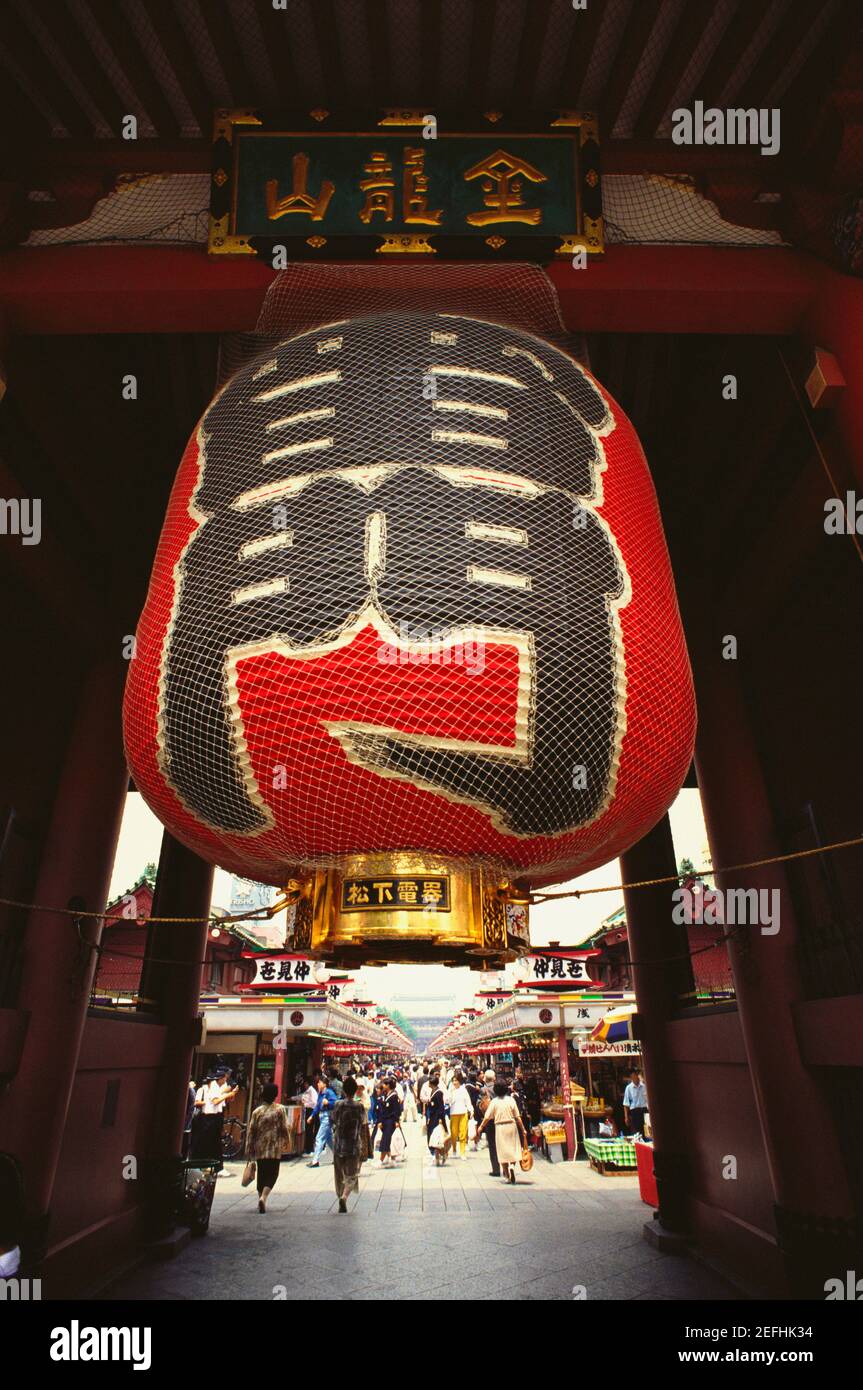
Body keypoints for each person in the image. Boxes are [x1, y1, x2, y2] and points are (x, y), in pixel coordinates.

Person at [246, 1082, 291, 1213]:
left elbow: (251, 1131)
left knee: (262, 1173)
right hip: (274, 1147)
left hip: (260, 1147)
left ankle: (260, 1197)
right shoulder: (279, 1109)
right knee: (273, 1174)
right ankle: (264, 1197)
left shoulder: (257, 1112)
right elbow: (284, 1127)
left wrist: (249, 1149)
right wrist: (287, 1140)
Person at [331, 1075, 369, 1212]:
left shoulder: (338, 1104)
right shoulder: (359, 1107)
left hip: (339, 1143)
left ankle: (340, 1195)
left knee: (339, 1173)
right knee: (352, 1174)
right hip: (353, 1144)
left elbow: (333, 1119)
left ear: (344, 1090)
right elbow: (362, 1123)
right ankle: (345, 1196)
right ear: (355, 1090)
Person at [477, 1082, 526, 1184]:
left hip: (500, 1127)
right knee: (513, 1148)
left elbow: (487, 1116)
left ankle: (507, 1175)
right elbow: (518, 1116)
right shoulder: (511, 1100)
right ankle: (512, 1165)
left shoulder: (494, 1102)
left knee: (502, 1151)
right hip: (512, 1126)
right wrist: (523, 1129)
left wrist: (481, 1127)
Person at [190, 1069, 238, 1162]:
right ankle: (206, 1163)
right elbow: (215, 1101)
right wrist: (229, 1094)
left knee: (213, 1142)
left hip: (215, 1117)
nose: (225, 1080)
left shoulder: (217, 1088)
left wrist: (230, 1094)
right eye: (224, 1078)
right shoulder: (212, 1087)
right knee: (209, 1142)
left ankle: (211, 1163)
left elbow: (223, 1101)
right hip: (209, 1118)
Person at [307, 1075, 338, 1167]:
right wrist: (312, 1116)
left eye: (319, 1082)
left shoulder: (329, 1092)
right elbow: (317, 1106)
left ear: (324, 1084)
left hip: (327, 1117)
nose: (318, 1084)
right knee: (329, 1140)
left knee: (319, 1138)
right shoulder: (320, 1093)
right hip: (322, 1116)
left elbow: (336, 1102)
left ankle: (315, 1160)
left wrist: (328, 1102)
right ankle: (338, 1156)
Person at [478, 1069, 500, 1176]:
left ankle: (496, 1169)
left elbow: (480, 1104)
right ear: (494, 1078)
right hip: (500, 1118)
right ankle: (506, 1165)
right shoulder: (499, 1088)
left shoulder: (483, 1089)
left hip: (489, 1120)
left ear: (485, 1078)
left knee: (492, 1144)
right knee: (501, 1143)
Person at [447, 1070, 473, 1160]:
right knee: (454, 1134)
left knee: (463, 1133)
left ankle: (462, 1152)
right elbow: (448, 1101)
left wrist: (471, 1110)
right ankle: (454, 1150)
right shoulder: (450, 1090)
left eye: (456, 1080)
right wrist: (450, 1092)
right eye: (453, 1080)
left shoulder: (463, 1089)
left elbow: (468, 1101)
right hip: (453, 1113)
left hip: (463, 1113)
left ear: (459, 1081)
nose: (454, 1082)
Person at [378, 1076, 403, 1168]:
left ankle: (381, 1160)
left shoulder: (393, 1096)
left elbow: (397, 1110)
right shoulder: (385, 1094)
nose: (383, 1085)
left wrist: (396, 1120)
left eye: (384, 1084)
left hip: (391, 1120)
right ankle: (392, 1159)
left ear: (388, 1085)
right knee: (388, 1141)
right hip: (385, 1120)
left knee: (386, 1140)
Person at [425, 1071, 448, 1164]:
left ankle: (440, 1155)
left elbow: (440, 1107)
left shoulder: (438, 1093)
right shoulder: (433, 1091)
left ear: (432, 1083)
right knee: (433, 1136)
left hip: (437, 1118)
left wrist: (440, 1119)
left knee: (437, 1137)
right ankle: (436, 1156)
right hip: (432, 1116)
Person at [623, 1070, 648, 1136]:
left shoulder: (644, 1086)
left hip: (644, 1110)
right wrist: (626, 1117)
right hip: (635, 1112)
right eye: (632, 1077)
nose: (634, 1078)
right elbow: (626, 1104)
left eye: (635, 1076)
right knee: (636, 1132)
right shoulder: (628, 1088)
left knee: (646, 1130)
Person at [301, 1075, 319, 1154]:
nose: (304, 1085)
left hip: (311, 1111)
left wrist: (305, 1105)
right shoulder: (308, 1090)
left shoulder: (312, 1091)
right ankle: (308, 1147)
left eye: (305, 1083)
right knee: (308, 1130)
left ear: (307, 1083)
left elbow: (314, 1102)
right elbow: (301, 1097)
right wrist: (291, 1098)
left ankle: (310, 1148)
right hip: (309, 1111)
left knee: (309, 1130)